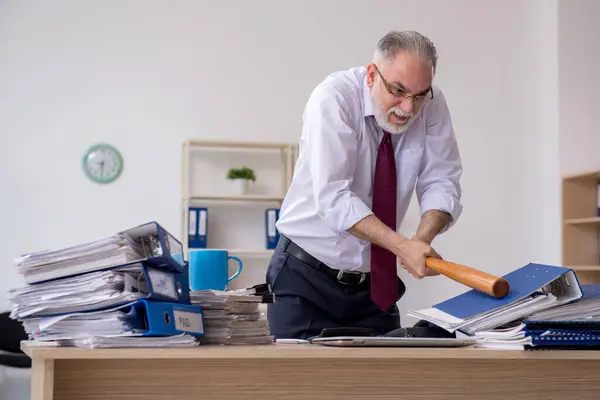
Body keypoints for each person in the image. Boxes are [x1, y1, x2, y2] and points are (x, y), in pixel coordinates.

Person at [266, 30, 463, 339]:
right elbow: (334, 197)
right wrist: (402, 246)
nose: (408, 107)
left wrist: (420, 241)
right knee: (297, 386)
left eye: (420, 94)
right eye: (398, 90)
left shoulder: (433, 105)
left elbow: (442, 180)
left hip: (375, 287)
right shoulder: (333, 98)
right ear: (372, 74)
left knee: (381, 386)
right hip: (305, 278)